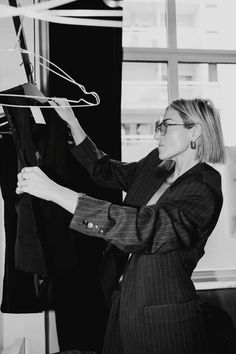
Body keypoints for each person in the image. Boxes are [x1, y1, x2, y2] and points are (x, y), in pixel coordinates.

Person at [16, 98, 225, 354]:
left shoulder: (204, 188)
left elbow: (144, 229)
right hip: (121, 301)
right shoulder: (156, 166)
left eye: (166, 125)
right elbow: (105, 170)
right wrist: (72, 121)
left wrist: (58, 193)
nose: (157, 132)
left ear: (195, 131)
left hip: (164, 320)